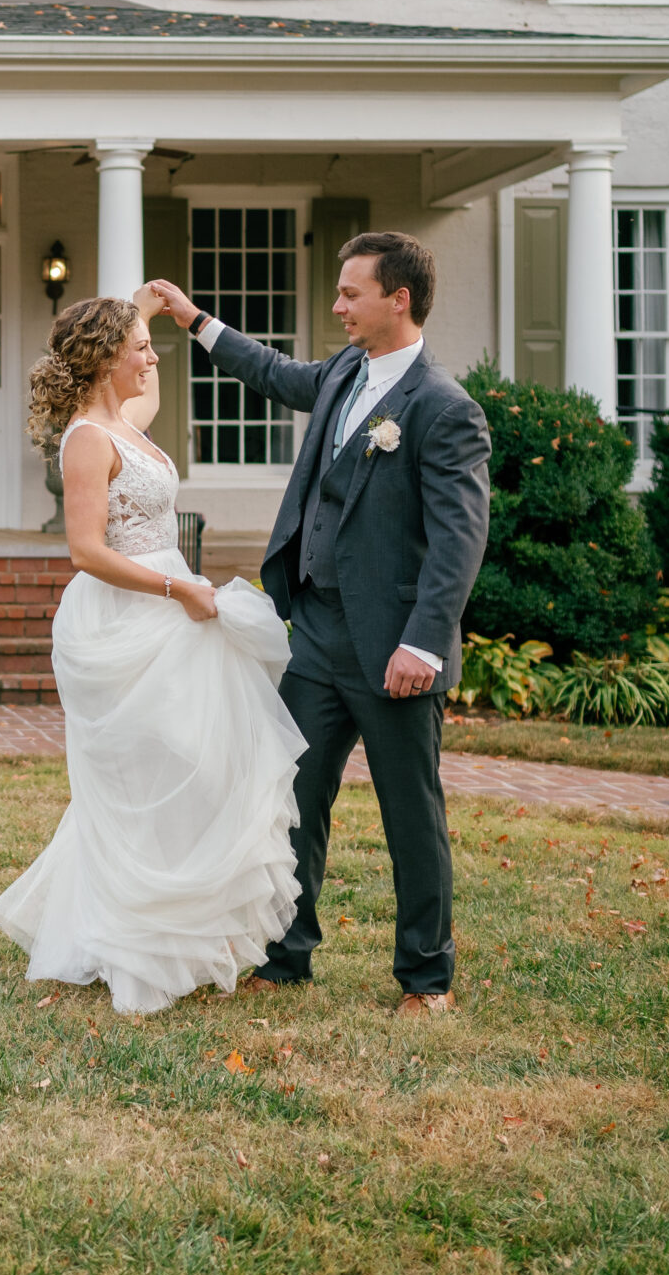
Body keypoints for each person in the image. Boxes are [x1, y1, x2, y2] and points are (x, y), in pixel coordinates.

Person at [144, 231, 491, 1015]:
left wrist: (424, 643)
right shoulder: (343, 371)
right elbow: (275, 373)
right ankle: (287, 952)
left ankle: (425, 976)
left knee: (412, 814)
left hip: (395, 649)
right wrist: (199, 321)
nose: (336, 306)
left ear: (397, 300)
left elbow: (459, 539)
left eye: (350, 294)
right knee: (294, 799)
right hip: (319, 635)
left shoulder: (443, 408)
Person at [0, 291, 303, 1015]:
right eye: (139, 346)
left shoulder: (123, 423)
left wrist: (149, 308)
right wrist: (175, 587)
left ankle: (182, 930)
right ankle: (136, 939)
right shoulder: (87, 440)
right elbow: (86, 550)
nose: (152, 358)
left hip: (172, 609)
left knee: (197, 769)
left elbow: (153, 384)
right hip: (127, 623)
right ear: (105, 358)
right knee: (148, 782)